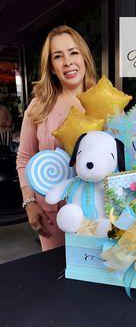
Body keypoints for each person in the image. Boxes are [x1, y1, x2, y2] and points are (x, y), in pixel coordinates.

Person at [16, 25, 97, 251]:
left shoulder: (105, 102)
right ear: (51, 66)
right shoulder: (39, 106)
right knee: (56, 278)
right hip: (51, 214)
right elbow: (24, 157)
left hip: (95, 214)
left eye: (73, 52)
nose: (68, 62)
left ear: (84, 57)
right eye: (58, 56)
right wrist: (29, 202)